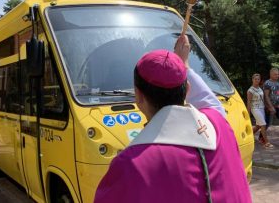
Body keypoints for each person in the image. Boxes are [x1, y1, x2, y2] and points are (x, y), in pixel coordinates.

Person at [94, 35, 251, 203]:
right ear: (187, 89)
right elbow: (211, 103)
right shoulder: (219, 125)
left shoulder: (129, 165)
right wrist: (185, 66)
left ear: (138, 96)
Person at [247, 74, 272, 148]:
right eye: (255, 79)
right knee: (263, 124)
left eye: (258, 79)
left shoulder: (259, 88)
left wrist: (266, 107)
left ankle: (249, 136)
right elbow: (249, 102)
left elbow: (262, 99)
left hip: (261, 108)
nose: (257, 80)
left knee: (258, 125)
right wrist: (248, 113)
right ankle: (266, 142)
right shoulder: (250, 90)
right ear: (252, 79)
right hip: (255, 109)